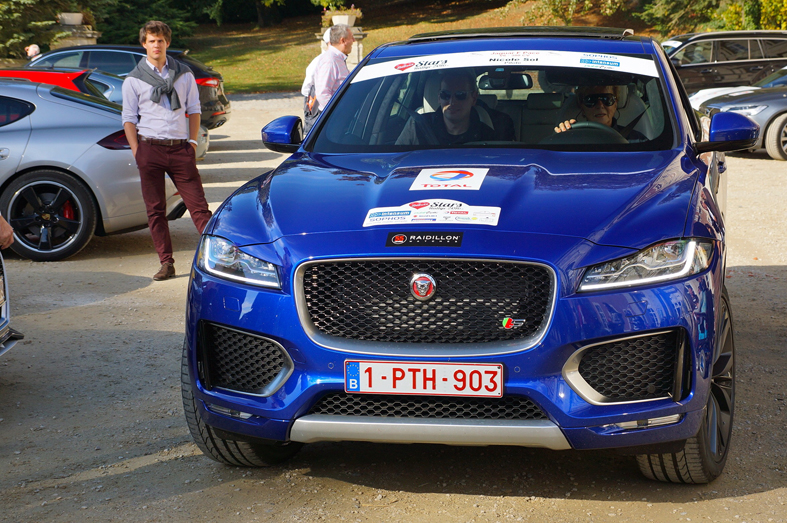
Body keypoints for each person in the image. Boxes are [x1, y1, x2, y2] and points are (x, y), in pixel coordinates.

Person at [121, 20, 212, 281]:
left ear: (167, 43)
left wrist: (192, 143)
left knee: (199, 208)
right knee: (155, 210)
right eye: (151, 41)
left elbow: (194, 110)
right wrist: (137, 151)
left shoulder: (184, 74)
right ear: (144, 44)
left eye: (160, 40)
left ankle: (217, 258)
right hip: (149, 149)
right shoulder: (134, 80)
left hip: (180, 149)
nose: (156, 45)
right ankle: (166, 263)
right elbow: (129, 118)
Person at [396, 71, 499, 145]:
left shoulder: (488, 137)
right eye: (445, 94)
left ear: (474, 98)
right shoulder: (417, 127)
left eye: (460, 95)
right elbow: (396, 160)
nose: (452, 102)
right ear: (439, 98)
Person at [303, 24, 354, 133]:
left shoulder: (337, 59)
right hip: (333, 121)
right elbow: (323, 93)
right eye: (351, 38)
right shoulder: (330, 61)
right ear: (343, 40)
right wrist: (337, 114)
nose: (354, 40)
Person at [554, 84, 645, 141]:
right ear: (582, 107)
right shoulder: (572, 137)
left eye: (607, 99)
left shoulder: (636, 139)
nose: (600, 105)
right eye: (591, 100)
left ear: (615, 104)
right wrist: (562, 136)